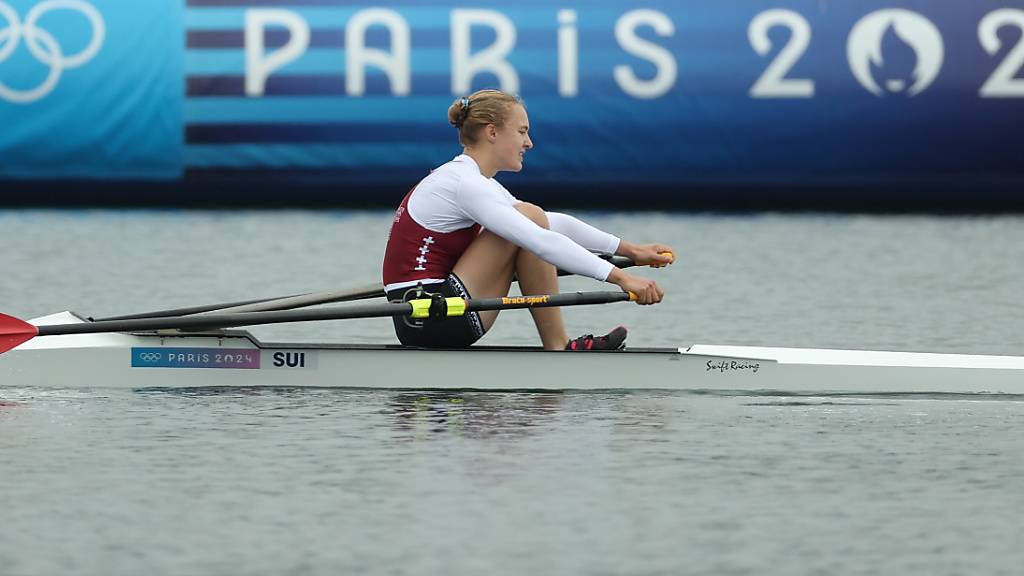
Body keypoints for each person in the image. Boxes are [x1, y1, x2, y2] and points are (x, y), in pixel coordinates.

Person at [382, 89, 673, 351]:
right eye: (522, 132)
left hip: (437, 309)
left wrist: (632, 251)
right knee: (529, 223)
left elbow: (552, 223)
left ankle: (557, 345)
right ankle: (557, 346)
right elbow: (540, 240)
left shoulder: (472, 181)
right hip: (429, 318)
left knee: (531, 217)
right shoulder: (465, 184)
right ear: (492, 132)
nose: (529, 143)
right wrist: (623, 278)